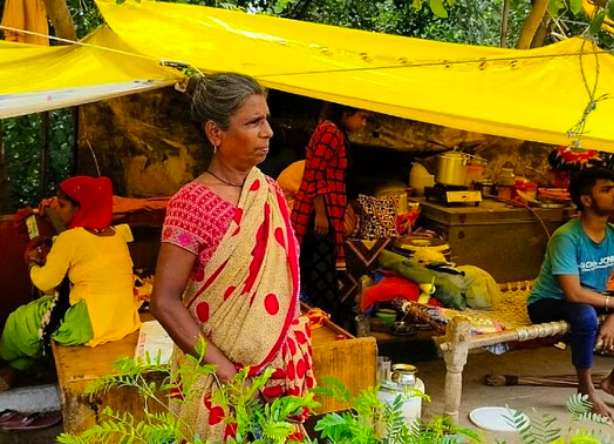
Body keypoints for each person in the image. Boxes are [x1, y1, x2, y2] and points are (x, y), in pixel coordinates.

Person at [151, 73, 313, 441]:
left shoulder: (268, 191)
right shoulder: (192, 203)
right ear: (215, 132)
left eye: (266, 119)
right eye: (254, 122)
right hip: (218, 383)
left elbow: (285, 280)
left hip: (276, 378)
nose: (268, 131)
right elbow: (163, 301)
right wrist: (228, 375)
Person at [527, 168, 614, 420]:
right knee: (585, 315)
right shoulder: (566, 237)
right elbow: (574, 293)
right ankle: (586, 389)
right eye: (606, 190)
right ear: (586, 200)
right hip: (548, 303)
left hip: (593, 298)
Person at [0, 176, 142, 390]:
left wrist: (32, 262)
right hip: (121, 319)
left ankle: (7, 373)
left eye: (63, 205)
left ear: (80, 208)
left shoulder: (71, 239)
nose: (57, 209)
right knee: (46, 308)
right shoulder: (115, 235)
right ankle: (17, 370)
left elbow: (44, 281)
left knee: (20, 320)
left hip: (89, 323)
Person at [290, 103, 369, 326]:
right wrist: (322, 214)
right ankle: (325, 327)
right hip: (317, 213)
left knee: (316, 274)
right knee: (321, 278)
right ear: (345, 112)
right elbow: (314, 172)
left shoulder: (335, 132)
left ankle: (317, 323)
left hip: (325, 211)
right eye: (361, 117)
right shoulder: (329, 132)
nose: (363, 124)